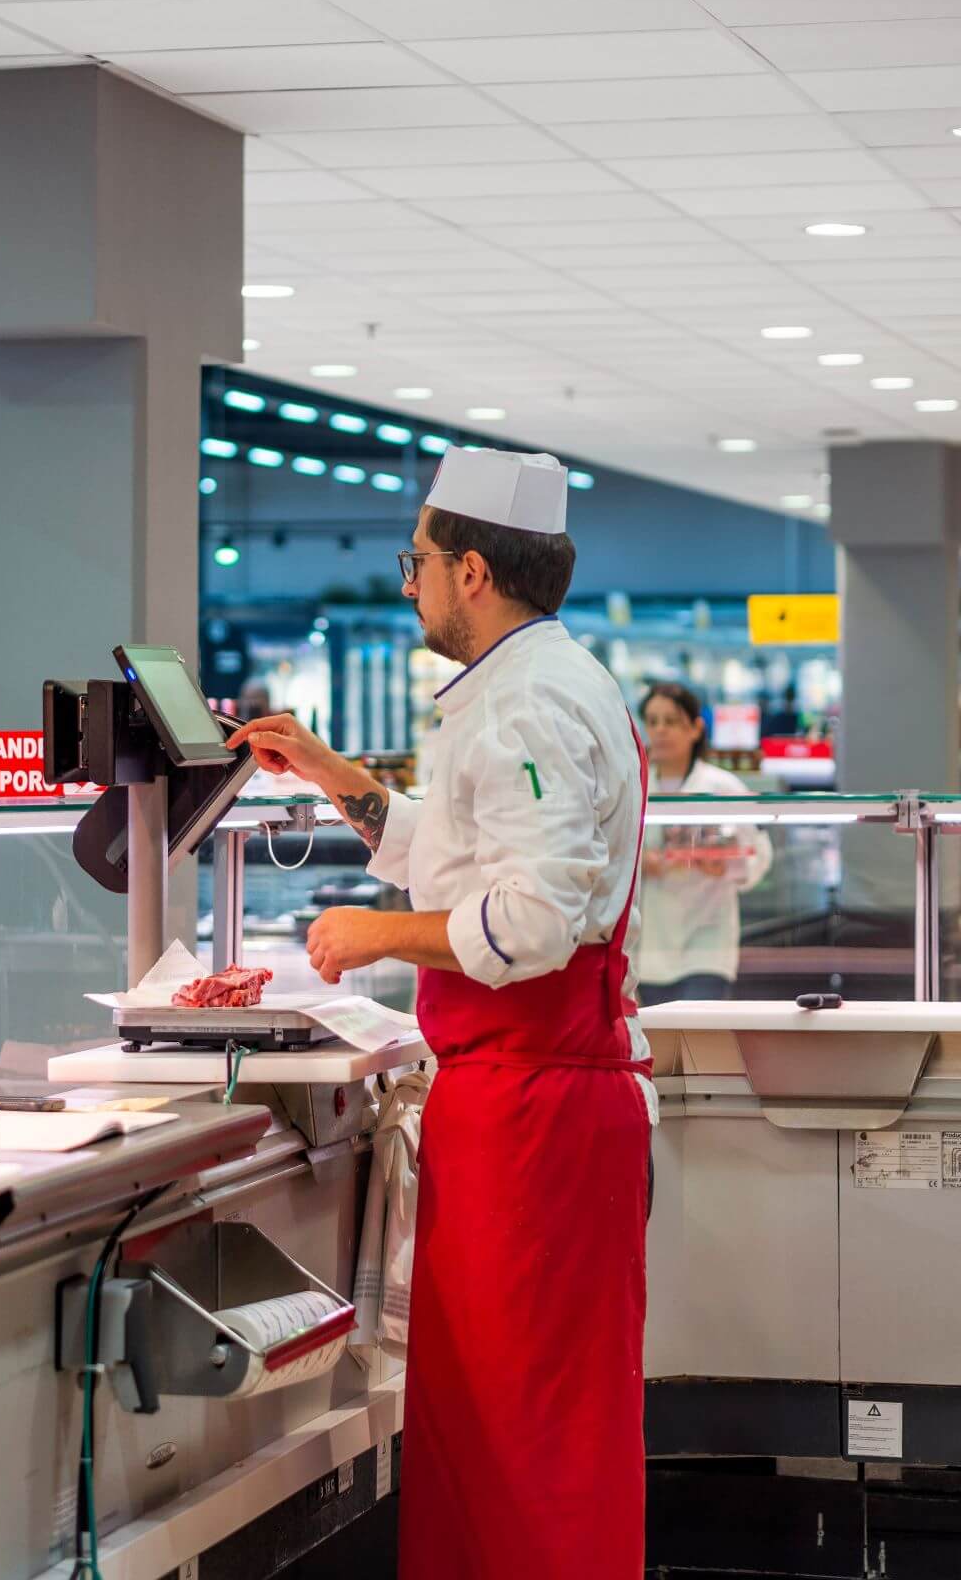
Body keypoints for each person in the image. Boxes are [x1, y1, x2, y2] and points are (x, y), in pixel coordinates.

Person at [228, 445, 655, 1580]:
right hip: (519, 1109)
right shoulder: (535, 680)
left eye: (414, 559)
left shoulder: (529, 702)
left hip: (540, 1117)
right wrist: (335, 775)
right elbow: (468, 853)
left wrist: (374, 935)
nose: (407, 580)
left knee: (532, 1450)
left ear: (472, 570)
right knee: (492, 1435)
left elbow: (532, 920)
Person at [639, 681, 773, 1005]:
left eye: (671, 721)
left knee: (699, 1030)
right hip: (650, 949)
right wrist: (639, 862)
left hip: (708, 944)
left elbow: (760, 854)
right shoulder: (635, 784)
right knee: (659, 1036)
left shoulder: (722, 786)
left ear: (695, 728)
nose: (660, 730)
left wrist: (726, 865)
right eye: (653, 721)